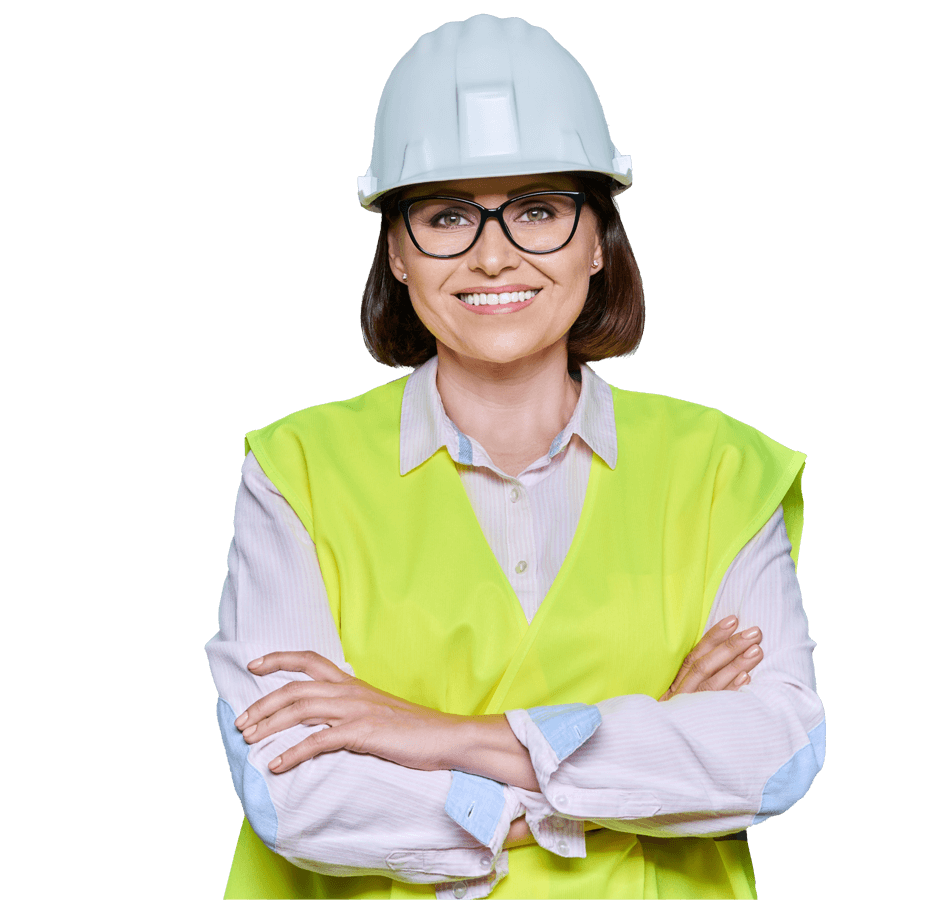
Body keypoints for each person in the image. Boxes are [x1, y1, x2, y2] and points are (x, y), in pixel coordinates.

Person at [205, 14, 823, 899]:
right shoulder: (296, 467)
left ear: (599, 241)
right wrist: (638, 755)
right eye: (447, 215)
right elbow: (294, 792)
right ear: (398, 253)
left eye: (538, 209)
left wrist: (432, 735)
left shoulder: (722, 469)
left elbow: (773, 753)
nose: (494, 254)